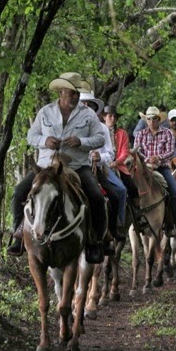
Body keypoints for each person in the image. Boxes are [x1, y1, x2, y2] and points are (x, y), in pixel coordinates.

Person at [7, 72, 108, 263]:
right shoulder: (45, 112)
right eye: (71, 92)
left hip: (77, 166)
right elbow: (31, 136)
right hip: (46, 166)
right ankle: (18, 234)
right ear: (61, 92)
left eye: (77, 93)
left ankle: (96, 241)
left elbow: (100, 138)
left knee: (96, 196)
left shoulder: (88, 115)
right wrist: (45, 140)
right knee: (19, 191)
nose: (75, 96)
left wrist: (81, 141)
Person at [79, 90, 128, 242]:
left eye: (89, 104)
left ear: (94, 107)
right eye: (83, 104)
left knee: (118, 192)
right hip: (74, 167)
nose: (86, 106)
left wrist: (99, 157)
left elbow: (109, 154)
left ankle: (112, 231)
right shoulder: (70, 124)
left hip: (97, 169)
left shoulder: (102, 128)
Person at [100, 104, 147, 232]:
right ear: (104, 117)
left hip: (119, 166)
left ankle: (133, 217)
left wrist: (116, 162)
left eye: (114, 116)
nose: (112, 118)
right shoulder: (99, 131)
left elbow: (124, 152)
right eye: (110, 116)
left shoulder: (122, 133)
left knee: (132, 187)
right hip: (103, 165)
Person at [133, 106, 176, 231]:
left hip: (162, 168)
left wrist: (158, 157)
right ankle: (133, 221)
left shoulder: (167, 133)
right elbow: (136, 151)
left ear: (159, 119)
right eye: (149, 119)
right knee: (130, 191)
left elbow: (170, 150)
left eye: (154, 118)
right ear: (146, 120)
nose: (152, 121)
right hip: (144, 168)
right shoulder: (140, 134)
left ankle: (171, 224)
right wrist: (148, 159)